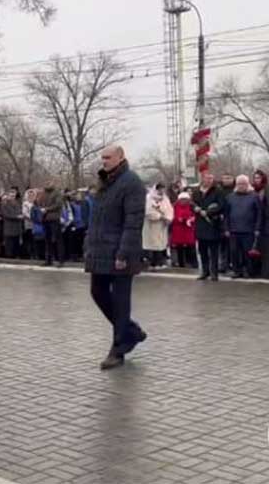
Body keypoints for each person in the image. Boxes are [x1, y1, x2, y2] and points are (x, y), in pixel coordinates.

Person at [84, 145, 147, 370]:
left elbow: (133, 222)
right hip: (100, 249)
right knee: (97, 291)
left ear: (121, 158)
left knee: (121, 302)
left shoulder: (131, 182)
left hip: (122, 251)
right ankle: (130, 331)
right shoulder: (105, 181)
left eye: (108, 158)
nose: (104, 161)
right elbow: (97, 217)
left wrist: (124, 252)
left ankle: (118, 349)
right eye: (102, 158)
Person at [224, 175, 262, 279]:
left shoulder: (254, 196)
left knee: (247, 252)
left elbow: (259, 214)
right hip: (233, 230)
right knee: (234, 252)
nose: (241, 186)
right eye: (239, 184)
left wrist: (257, 228)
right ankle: (237, 270)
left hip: (248, 230)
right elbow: (226, 214)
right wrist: (226, 228)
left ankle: (248, 271)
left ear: (247, 184)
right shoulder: (230, 197)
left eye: (243, 184)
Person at [192, 173, 225, 281]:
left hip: (213, 225)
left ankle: (214, 273)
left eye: (211, 178)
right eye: (207, 178)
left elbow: (221, 205)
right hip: (200, 225)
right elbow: (192, 205)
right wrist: (195, 209)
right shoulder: (196, 192)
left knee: (214, 251)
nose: (209, 180)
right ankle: (205, 272)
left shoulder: (218, 191)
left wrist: (209, 212)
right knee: (202, 251)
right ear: (203, 179)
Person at [142, 183, 173, 269]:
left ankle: (159, 262)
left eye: (163, 189)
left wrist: (168, 218)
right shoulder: (149, 198)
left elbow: (169, 209)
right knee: (152, 244)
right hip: (152, 225)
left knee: (160, 244)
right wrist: (159, 216)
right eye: (160, 189)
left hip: (162, 225)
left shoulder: (165, 199)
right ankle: (152, 262)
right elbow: (147, 210)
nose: (162, 191)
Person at [40, 180, 64, 267]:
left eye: (49, 183)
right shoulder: (43, 193)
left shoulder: (57, 193)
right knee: (47, 240)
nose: (47, 185)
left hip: (54, 218)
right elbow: (40, 203)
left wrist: (47, 209)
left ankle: (61, 260)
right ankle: (48, 260)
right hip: (45, 219)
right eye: (46, 183)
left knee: (58, 240)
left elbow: (58, 204)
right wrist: (42, 208)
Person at [170, 192, 197, 268]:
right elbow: (172, 216)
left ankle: (193, 263)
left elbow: (194, 216)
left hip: (188, 229)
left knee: (191, 247)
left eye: (185, 199)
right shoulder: (174, 206)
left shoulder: (192, 206)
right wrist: (179, 220)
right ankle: (181, 263)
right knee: (179, 247)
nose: (184, 201)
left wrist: (191, 220)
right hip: (178, 229)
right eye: (182, 199)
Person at [218, 174, 236, 273]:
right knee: (222, 244)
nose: (226, 180)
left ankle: (233, 263)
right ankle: (223, 264)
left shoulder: (235, 190)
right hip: (221, 219)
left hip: (233, 219)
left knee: (232, 245)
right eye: (224, 178)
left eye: (229, 178)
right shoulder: (219, 190)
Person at [0, 188, 23, 259]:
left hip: (17, 227)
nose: (12, 197)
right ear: (8, 195)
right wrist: (16, 216)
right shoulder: (4, 204)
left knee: (16, 244)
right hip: (9, 227)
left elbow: (20, 212)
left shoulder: (18, 203)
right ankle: (9, 257)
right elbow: (6, 215)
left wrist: (20, 216)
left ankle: (16, 256)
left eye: (13, 195)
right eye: (11, 195)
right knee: (9, 245)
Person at [21, 189, 36, 259]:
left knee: (34, 239)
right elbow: (25, 213)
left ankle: (34, 254)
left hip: (35, 224)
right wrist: (32, 217)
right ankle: (27, 254)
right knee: (28, 239)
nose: (31, 196)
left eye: (32, 195)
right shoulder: (25, 203)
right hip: (28, 223)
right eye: (30, 195)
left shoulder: (35, 203)